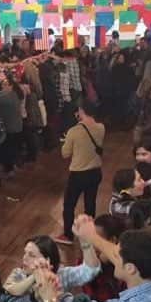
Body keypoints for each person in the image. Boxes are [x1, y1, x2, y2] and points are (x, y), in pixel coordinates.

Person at [58, 103, 104, 243]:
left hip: (78, 174)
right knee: (90, 203)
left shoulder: (74, 131)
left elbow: (65, 154)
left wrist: (66, 139)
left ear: (81, 111)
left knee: (69, 205)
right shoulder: (101, 127)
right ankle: (89, 233)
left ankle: (67, 235)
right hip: (96, 171)